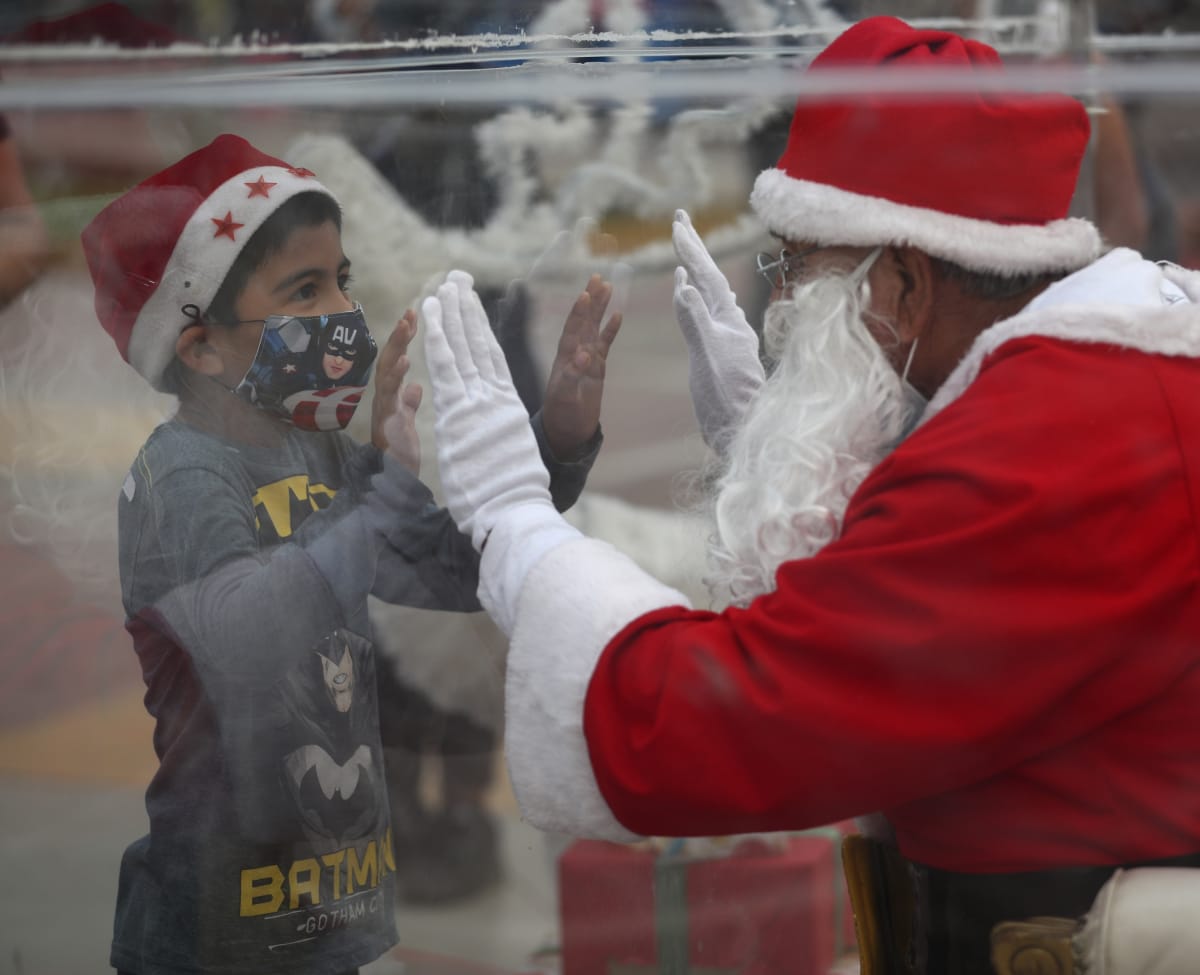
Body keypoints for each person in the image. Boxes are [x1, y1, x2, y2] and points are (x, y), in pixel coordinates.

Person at [416, 16, 1200, 975]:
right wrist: (779, 450)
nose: (780, 307)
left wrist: (517, 530)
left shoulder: (1049, 437)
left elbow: (739, 721)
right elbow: (933, 612)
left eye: (797, 272)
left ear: (906, 284)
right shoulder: (1083, 379)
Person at [80, 133, 621, 975]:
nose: (340, 310)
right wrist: (379, 500)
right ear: (201, 346)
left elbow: (457, 567)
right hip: (216, 933)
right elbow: (244, 638)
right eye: (304, 289)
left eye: (343, 280)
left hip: (339, 907)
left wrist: (558, 437)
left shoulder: (319, 452)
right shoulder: (180, 475)